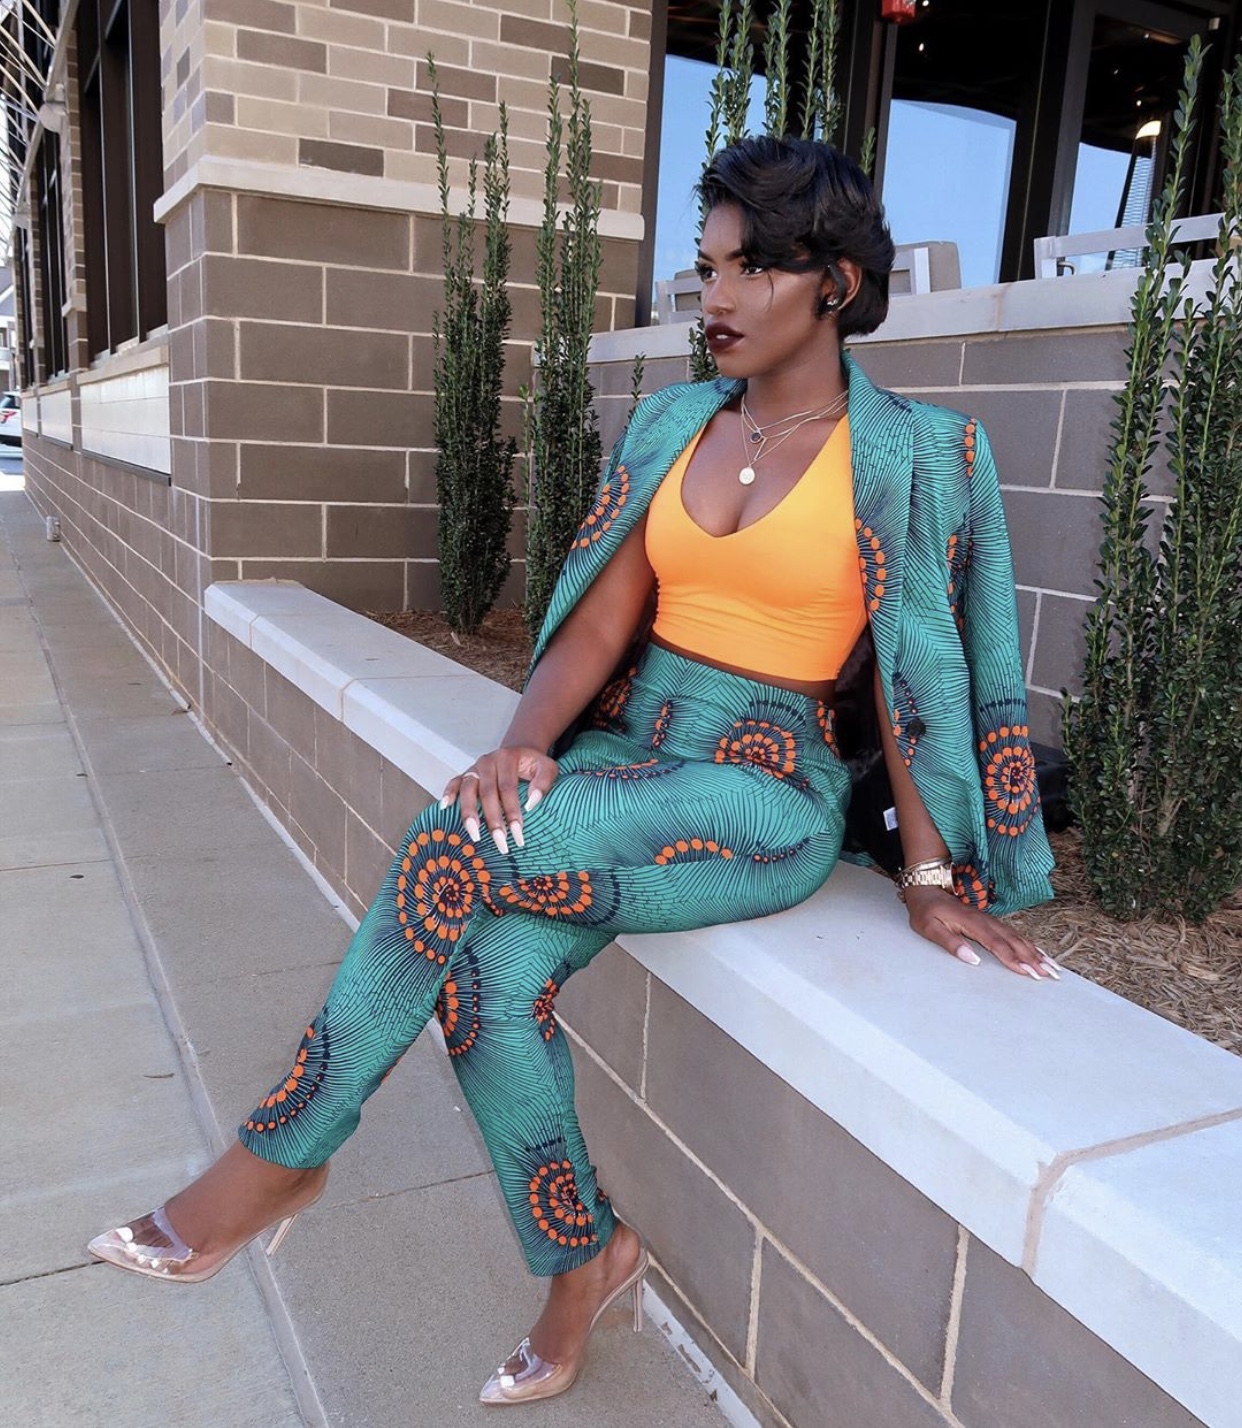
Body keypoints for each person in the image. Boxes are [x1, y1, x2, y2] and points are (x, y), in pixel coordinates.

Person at [88, 135, 1055, 1405]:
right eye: (707, 267)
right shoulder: (672, 423)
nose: (715, 297)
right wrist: (521, 745)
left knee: (455, 845)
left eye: (753, 268)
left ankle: (280, 1156)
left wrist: (928, 874)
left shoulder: (919, 453)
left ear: (837, 282)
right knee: (485, 983)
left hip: (762, 787)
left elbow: (914, 672)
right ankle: (583, 1259)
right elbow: (600, 624)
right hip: (625, 751)